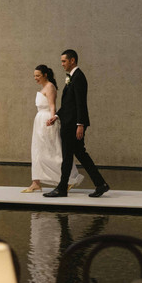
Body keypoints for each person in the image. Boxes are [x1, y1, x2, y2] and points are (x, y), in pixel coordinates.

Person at [43, 49, 110, 198]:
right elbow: (69, 104)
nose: (62, 64)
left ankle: (62, 188)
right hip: (69, 122)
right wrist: (57, 116)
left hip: (72, 125)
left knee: (68, 156)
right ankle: (100, 184)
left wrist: (80, 124)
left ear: (72, 60)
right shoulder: (73, 77)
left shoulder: (78, 77)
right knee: (80, 154)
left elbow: (81, 103)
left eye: (64, 61)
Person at [23, 65, 83, 193]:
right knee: (37, 150)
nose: (35, 78)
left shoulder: (50, 87)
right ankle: (36, 182)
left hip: (46, 121)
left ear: (45, 75)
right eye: (34, 76)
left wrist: (53, 120)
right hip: (39, 121)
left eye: (38, 75)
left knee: (53, 151)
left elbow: (52, 106)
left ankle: (68, 179)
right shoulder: (44, 87)